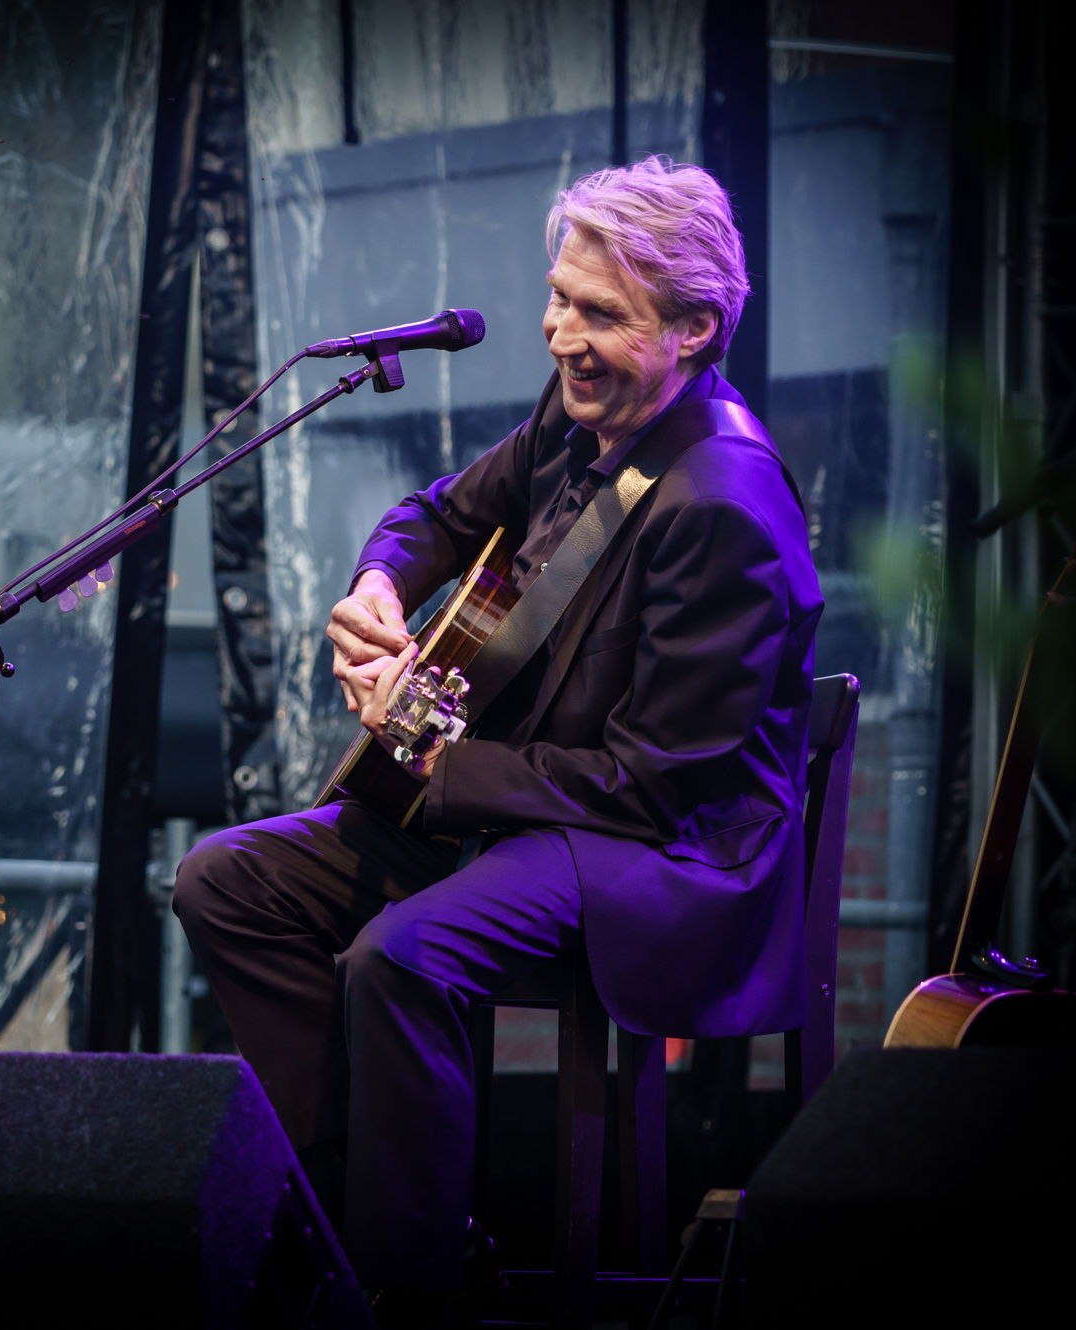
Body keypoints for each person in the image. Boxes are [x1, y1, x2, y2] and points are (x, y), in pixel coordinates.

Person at [173, 156, 822, 1309]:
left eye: (601, 313)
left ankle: (402, 1287)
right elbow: (435, 515)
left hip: (663, 857)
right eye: (560, 297)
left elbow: (651, 781)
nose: (561, 332)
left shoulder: (726, 504)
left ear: (696, 328)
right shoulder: (580, 416)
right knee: (228, 880)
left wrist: (438, 759)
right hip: (520, 804)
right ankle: (333, 1220)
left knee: (405, 954)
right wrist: (379, 585)